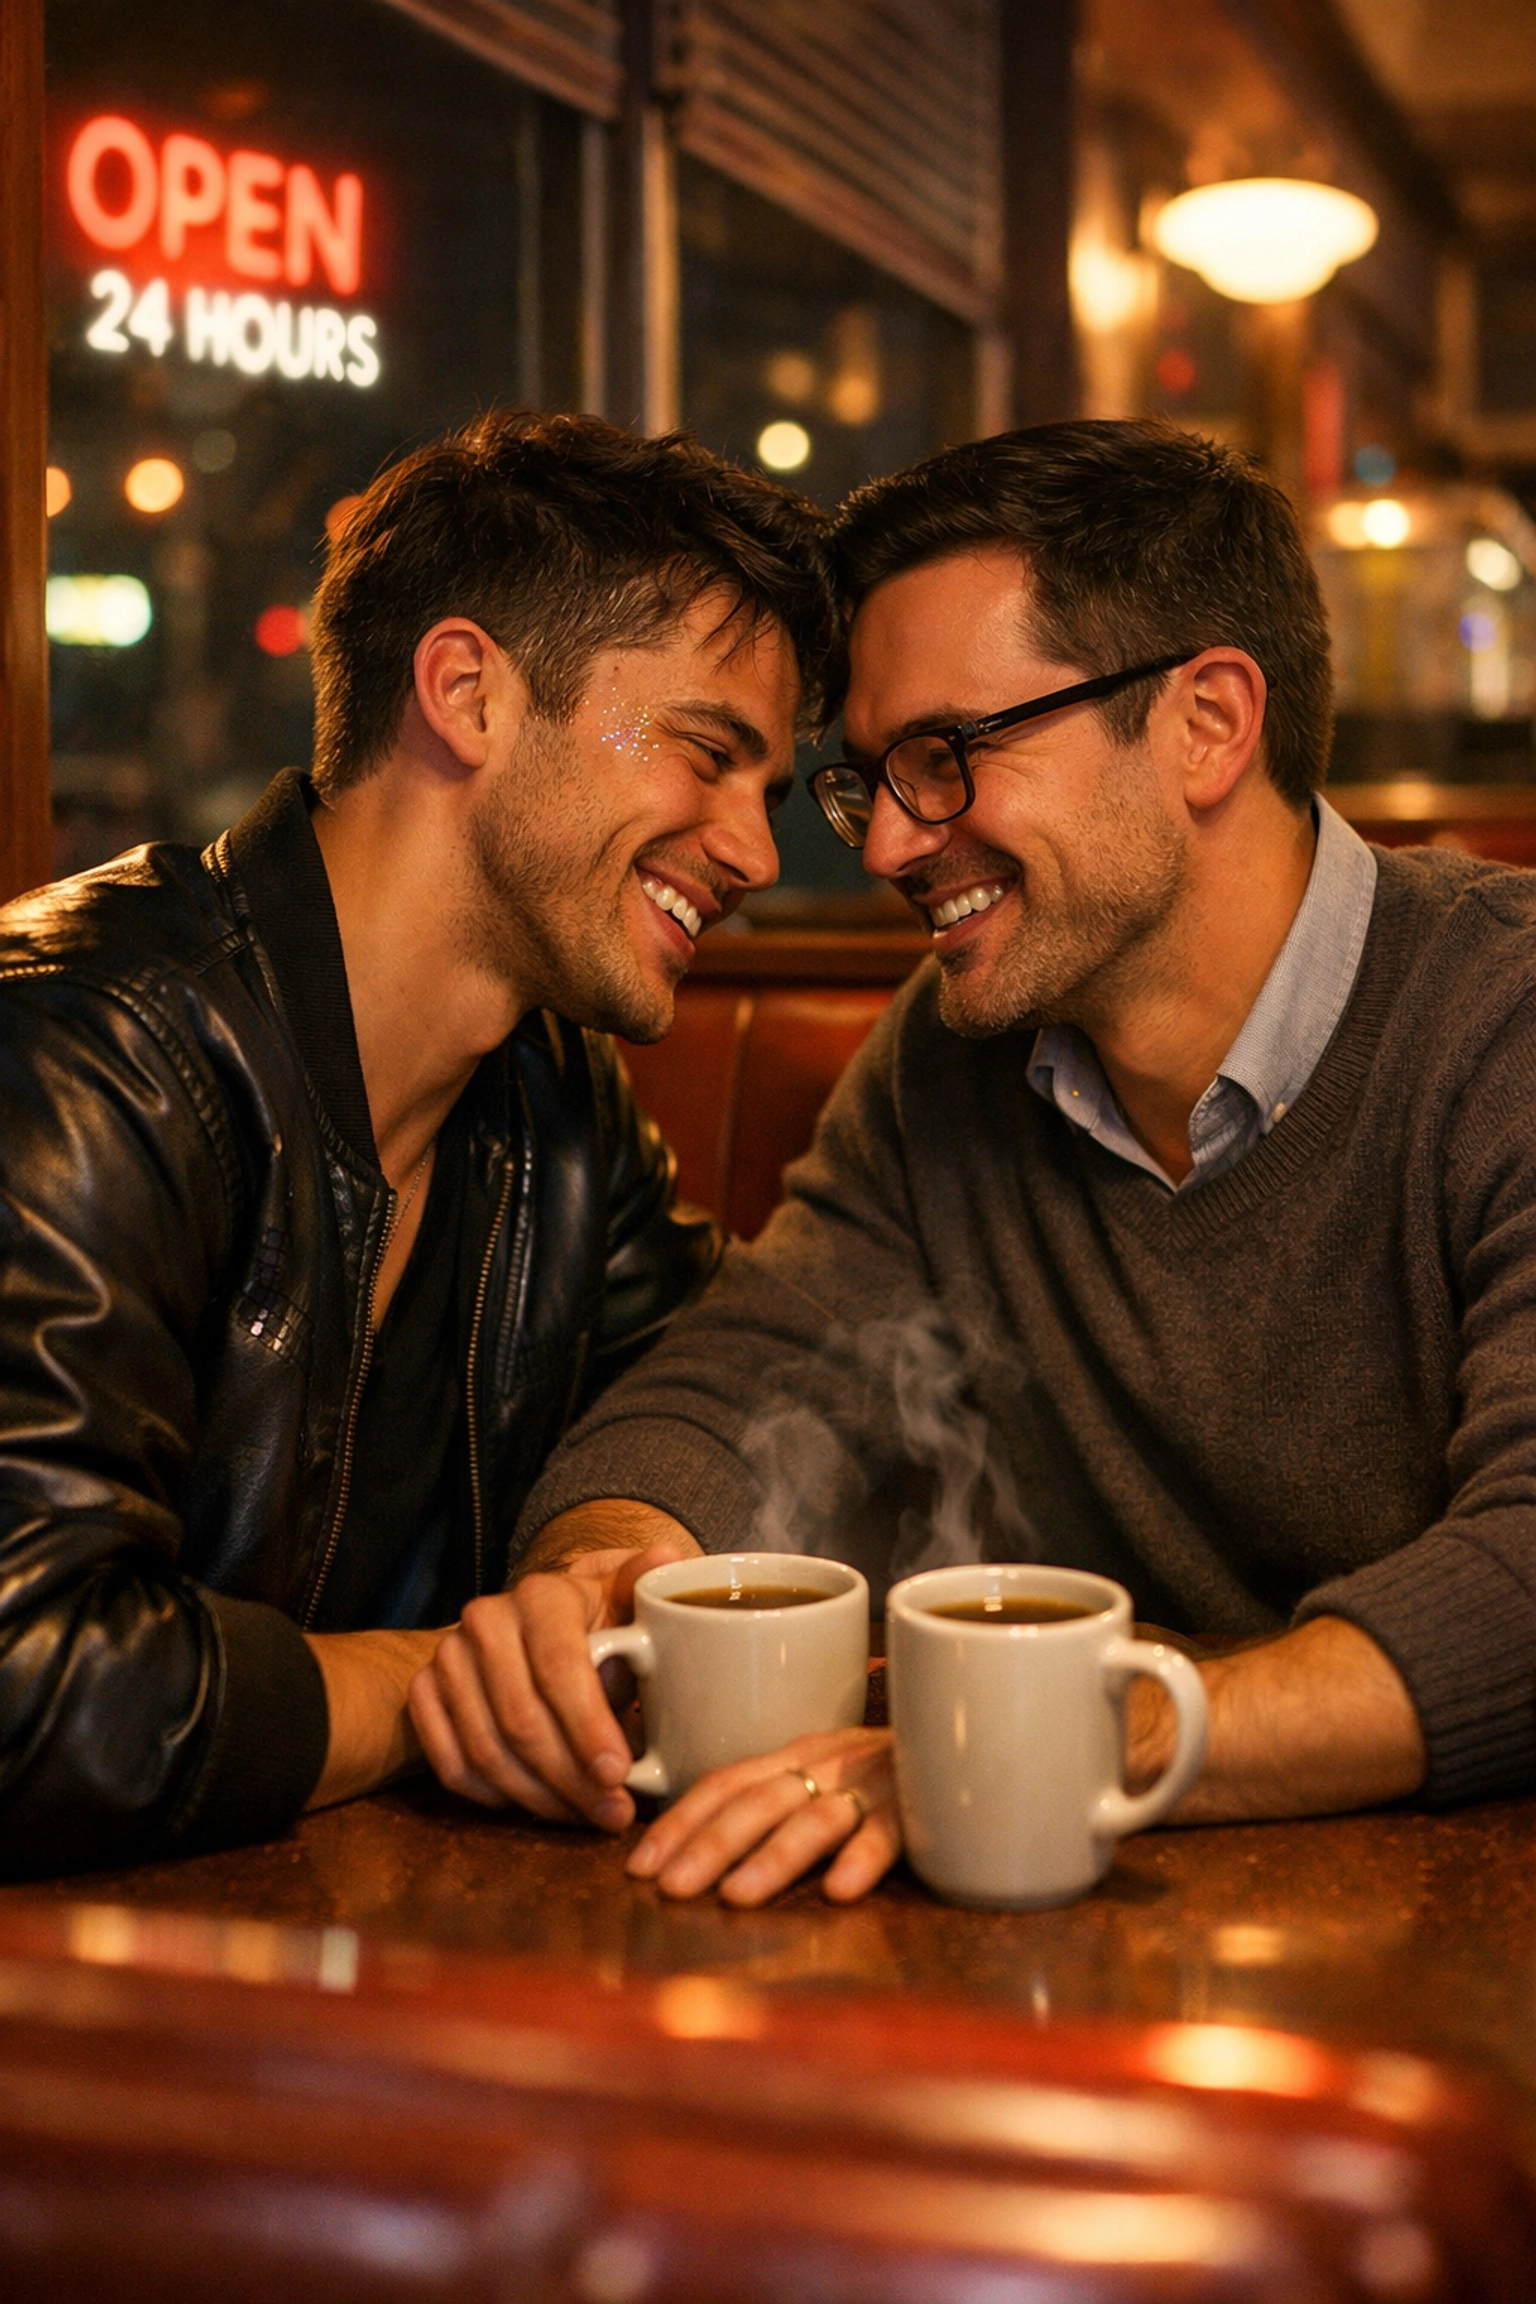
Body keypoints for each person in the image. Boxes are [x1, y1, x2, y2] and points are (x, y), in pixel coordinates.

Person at [408, 419, 1536, 1905]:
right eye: (870, 777)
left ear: (1206, 723)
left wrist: (1034, 1744)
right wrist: (591, 1581)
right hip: (1085, 1958)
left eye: (946, 758)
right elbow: (737, 1385)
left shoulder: (1498, 1023)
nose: (884, 845)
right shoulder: (953, 1062)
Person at [0, 408, 839, 1878]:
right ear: (466, 693)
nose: (758, 852)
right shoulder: (87, 1053)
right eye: (709, 752)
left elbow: (731, 1404)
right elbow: (36, 1693)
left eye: (769, 790)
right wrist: (439, 1679)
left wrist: (615, 1560)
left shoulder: (556, 1110)